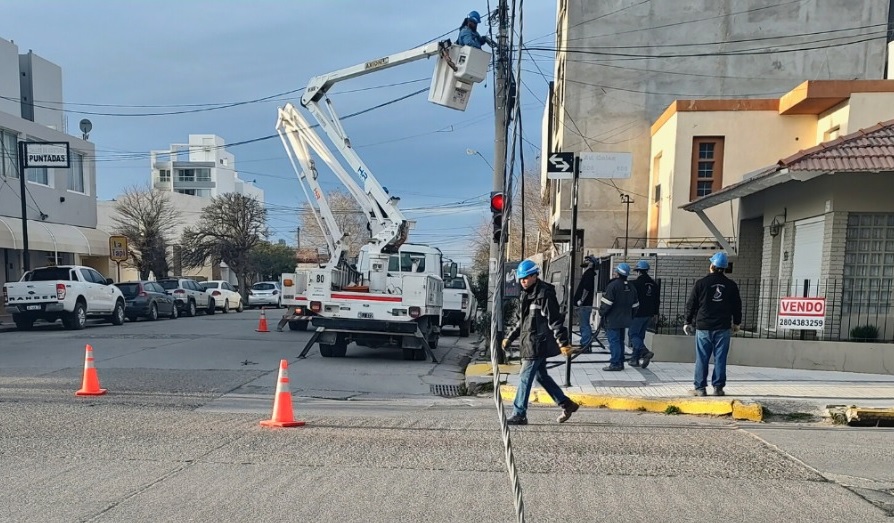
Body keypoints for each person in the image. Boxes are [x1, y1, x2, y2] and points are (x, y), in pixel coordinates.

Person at [502, 259, 580, 425]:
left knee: (525, 377)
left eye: (527, 278)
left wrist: (563, 342)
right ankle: (567, 404)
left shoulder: (544, 294)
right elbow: (521, 322)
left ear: (535, 276)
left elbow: (555, 320)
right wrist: (509, 338)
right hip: (529, 342)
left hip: (538, 344)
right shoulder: (525, 294)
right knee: (541, 376)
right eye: (521, 278)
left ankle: (519, 413)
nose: (523, 281)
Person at [683, 252, 742, 397]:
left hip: (703, 326)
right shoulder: (731, 285)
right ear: (724, 268)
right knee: (720, 358)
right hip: (722, 326)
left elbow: (691, 304)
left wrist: (687, 321)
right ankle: (718, 388)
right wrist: (737, 323)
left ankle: (700, 388)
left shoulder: (701, 283)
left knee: (702, 357)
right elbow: (737, 306)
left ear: (712, 266)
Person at [598, 263, 639, 371]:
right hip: (625, 319)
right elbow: (636, 305)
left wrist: (601, 313)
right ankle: (620, 362)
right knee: (620, 341)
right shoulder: (631, 286)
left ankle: (615, 363)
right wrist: (630, 316)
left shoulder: (613, 285)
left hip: (613, 319)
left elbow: (607, 303)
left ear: (618, 273)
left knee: (614, 341)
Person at [629, 260, 659, 369]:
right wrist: (655, 314)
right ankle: (634, 359)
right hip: (649, 314)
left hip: (637, 313)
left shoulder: (635, 284)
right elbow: (657, 301)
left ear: (638, 271)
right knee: (640, 336)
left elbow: (631, 299)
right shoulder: (654, 284)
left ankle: (645, 352)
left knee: (632, 335)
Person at [573, 255, 597, 353]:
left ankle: (586, 345)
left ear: (591, 263)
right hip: (585, 304)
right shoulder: (587, 273)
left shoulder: (589, 274)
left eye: (587, 260)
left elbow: (586, 288)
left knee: (584, 325)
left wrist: (581, 300)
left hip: (585, 304)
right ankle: (585, 343)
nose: (585, 261)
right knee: (583, 324)